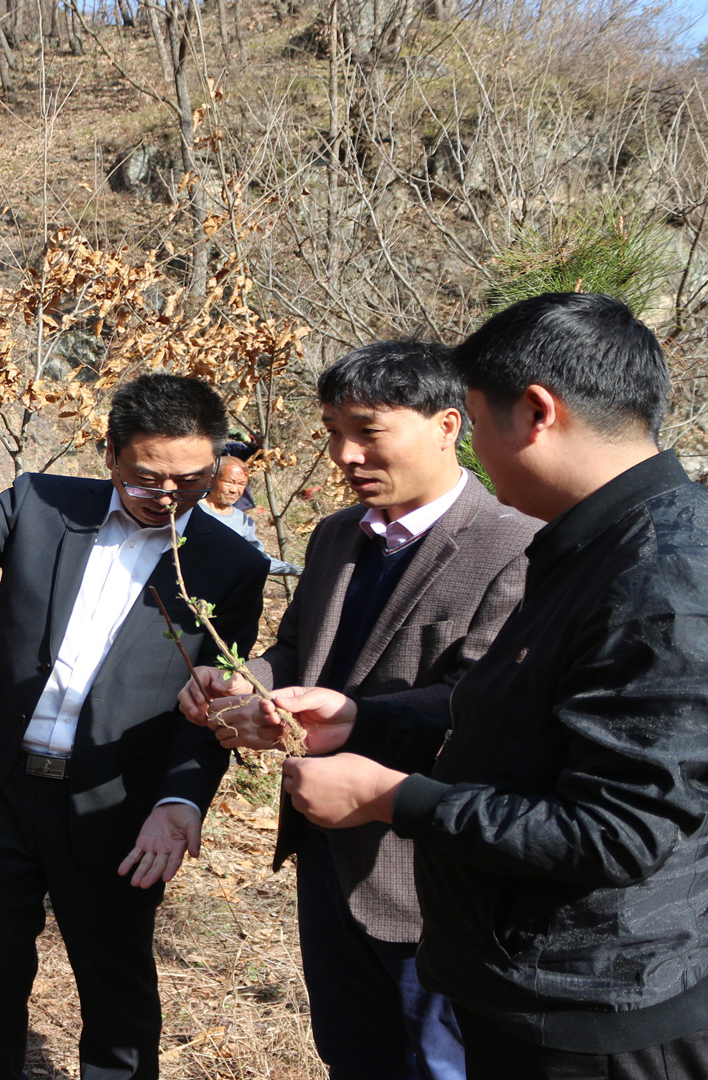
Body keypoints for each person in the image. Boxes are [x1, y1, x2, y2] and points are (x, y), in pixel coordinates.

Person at [243, 294, 708, 1080]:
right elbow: (507, 722)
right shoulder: (598, 548)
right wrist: (362, 723)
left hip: (590, 1012)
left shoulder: (673, 582)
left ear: (535, 413)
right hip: (522, 974)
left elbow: (616, 834)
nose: (475, 455)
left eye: (472, 420)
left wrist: (393, 798)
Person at [0, 374, 270, 1080]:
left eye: (192, 481)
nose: (168, 497)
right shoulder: (44, 502)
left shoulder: (230, 565)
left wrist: (179, 799)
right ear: (110, 455)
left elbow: (210, 701)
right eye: (147, 479)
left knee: (115, 983)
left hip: (118, 802)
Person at [180, 341, 539, 1080]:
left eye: (368, 431)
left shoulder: (517, 546)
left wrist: (355, 722)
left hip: (428, 874)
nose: (346, 454)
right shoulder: (338, 535)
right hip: (324, 852)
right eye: (333, 431)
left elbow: (485, 706)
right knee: (351, 1053)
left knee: (436, 1063)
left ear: (447, 425)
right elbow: (297, 649)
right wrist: (244, 681)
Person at [198, 454, 301, 575]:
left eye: (241, 484)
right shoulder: (189, 510)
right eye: (229, 482)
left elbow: (256, 559)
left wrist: (298, 570)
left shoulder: (243, 521)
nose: (234, 490)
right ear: (211, 480)